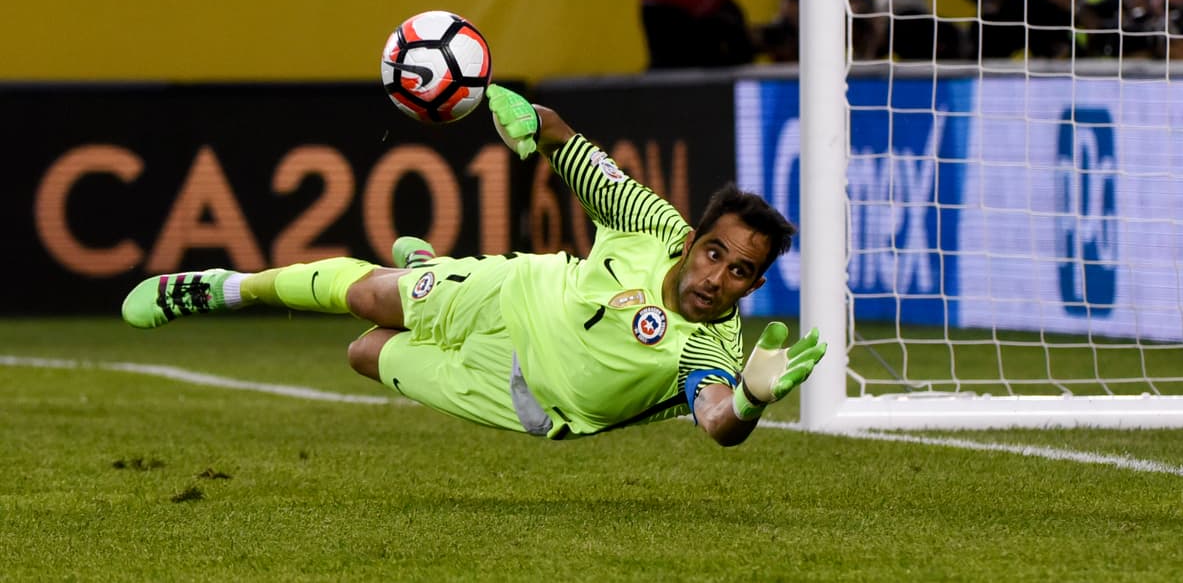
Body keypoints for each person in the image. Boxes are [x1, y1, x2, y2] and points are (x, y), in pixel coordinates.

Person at [121, 86, 826, 446]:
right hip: (516, 292)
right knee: (369, 295)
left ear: (756, 285)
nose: (715, 277)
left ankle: (426, 260)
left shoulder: (717, 345)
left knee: (364, 353)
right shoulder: (649, 221)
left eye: (739, 272)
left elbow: (715, 421)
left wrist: (750, 400)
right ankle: (221, 287)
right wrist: (520, 113)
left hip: (528, 397)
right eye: (714, 252)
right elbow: (557, 132)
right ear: (693, 236)